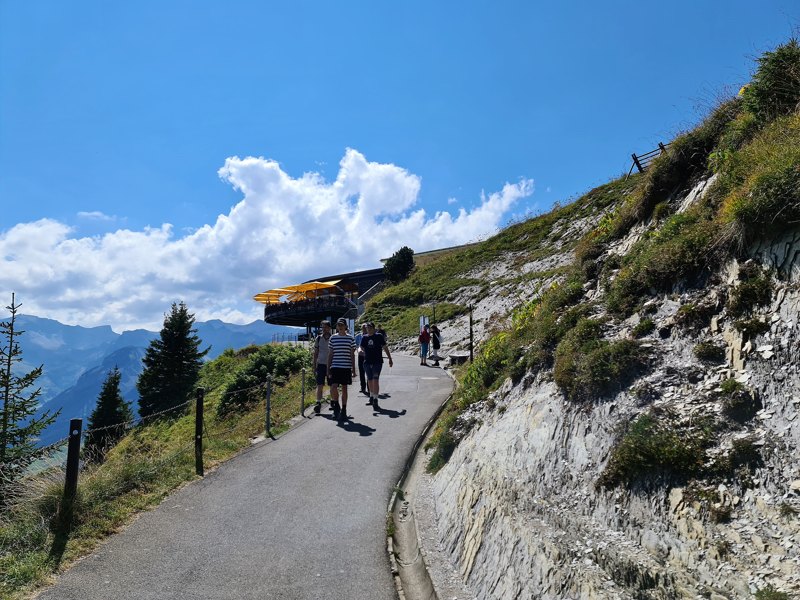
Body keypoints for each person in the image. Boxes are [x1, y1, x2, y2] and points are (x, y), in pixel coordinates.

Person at [327, 317, 356, 422]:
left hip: (346, 366)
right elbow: (330, 354)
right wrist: (328, 368)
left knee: (344, 388)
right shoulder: (333, 338)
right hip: (335, 366)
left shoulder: (350, 338)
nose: (340, 326)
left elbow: (352, 354)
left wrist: (353, 369)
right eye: (338, 325)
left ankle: (343, 409)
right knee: (334, 387)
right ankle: (336, 406)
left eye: (341, 325)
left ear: (345, 326)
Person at [360, 322, 393, 408]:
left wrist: (390, 358)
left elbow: (385, 347)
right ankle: (371, 397)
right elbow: (361, 347)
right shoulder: (364, 337)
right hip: (367, 362)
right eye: (367, 328)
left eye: (370, 327)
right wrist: (360, 350)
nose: (369, 329)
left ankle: (375, 399)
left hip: (377, 362)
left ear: (374, 328)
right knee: (369, 380)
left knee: (375, 379)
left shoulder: (379, 336)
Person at [312, 320, 332, 414]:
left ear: (329, 328)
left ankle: (333, 402)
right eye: (322, 327)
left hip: (331, 365)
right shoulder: (318, 338)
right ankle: (318, 403)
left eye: (325, 327)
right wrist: (314, 366)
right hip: (320, 364)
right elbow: (315, 353)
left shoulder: (333, 338)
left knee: (332, 385)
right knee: (320, 385)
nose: (324, 329)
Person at [355, 323, 368, 395]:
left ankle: (370, 388)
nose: (364, 328)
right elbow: (356, 345)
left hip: (368, 355)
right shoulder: (358, 336)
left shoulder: (369, 335)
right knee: (361, 372)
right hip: (360, 355)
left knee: (368, 372)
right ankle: (363, 387)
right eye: (363, 327)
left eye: (365, 327)